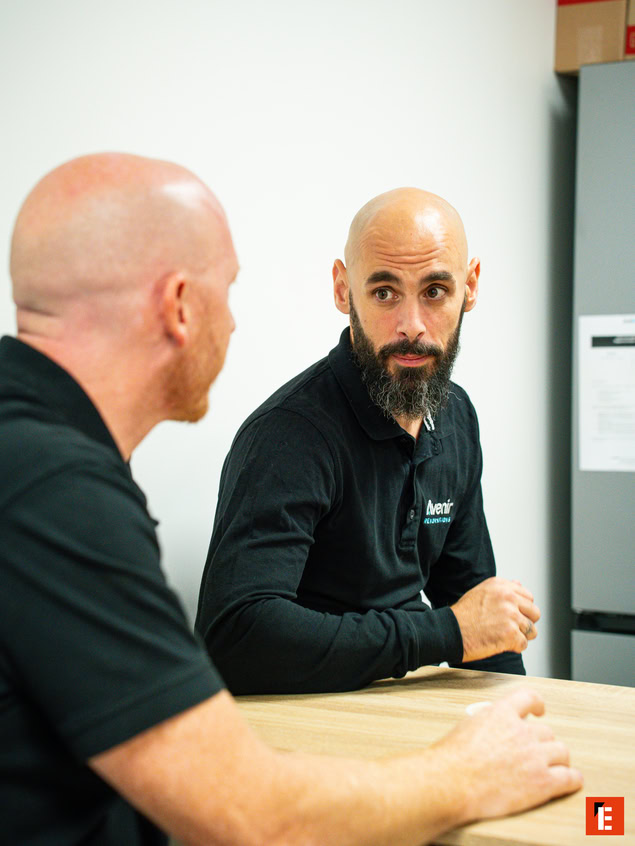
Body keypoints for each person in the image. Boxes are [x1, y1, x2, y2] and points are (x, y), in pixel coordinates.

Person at [0, 154, 581, 846]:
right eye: (231, 290)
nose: (237, 325)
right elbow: (246, 810)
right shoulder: (56, 491)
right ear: (179, 306)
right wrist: (463, 773)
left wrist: (515, 728)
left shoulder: (56, 461)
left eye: (434, 291)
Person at [196, 187, 541, 695]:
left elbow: (477, 610)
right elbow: (236, 637)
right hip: (306, 722)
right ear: (343, 289)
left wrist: (519, 711)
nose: (412, 327)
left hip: (404, 703)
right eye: (384, 293)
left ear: (470, 287)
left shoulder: (456, 416)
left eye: (434, 291)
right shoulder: (291, 435)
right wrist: (444, 632)